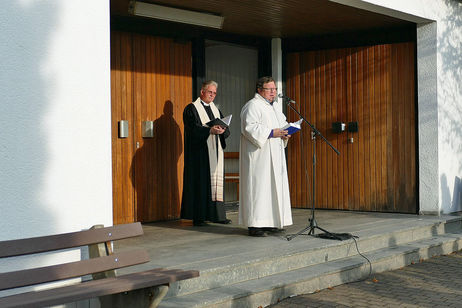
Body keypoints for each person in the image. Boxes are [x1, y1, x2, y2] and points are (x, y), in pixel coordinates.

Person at [239, 76, 293, 237]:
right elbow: (249, 128)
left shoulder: (275, 107)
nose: (273, 92)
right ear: (260, 90)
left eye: (275, 89)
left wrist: (285, 133)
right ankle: (255, 224)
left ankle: (270, 222)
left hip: (275, 154)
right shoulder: (252, 106)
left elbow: (282, 124)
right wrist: (271, 132)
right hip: (259, 156)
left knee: (273, 189)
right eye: (270, 89)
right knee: (259, 188)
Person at [181, 80, 231, 226]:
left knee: (216, 184)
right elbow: (191, 129)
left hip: (215, 152)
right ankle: (200, 216)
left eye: (214, 93)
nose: (212, 95)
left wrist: (222, 130)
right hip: (200, 154)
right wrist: (209, 130)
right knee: (201, 183)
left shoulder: (215, 109)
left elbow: (224, 127)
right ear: (202, 92)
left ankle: (217, 215)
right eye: (210, 92)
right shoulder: (191, 108)